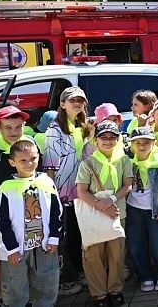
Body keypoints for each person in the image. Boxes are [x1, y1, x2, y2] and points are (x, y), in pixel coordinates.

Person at [0, 139, 62, 307]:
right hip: (17, 248)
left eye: (33, 158)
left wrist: (54, 238)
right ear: (12, 162)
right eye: (22, 160)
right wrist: (11, 248)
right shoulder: (7, 187)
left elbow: (57, 211)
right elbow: (1, 221)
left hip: (44, 245)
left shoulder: (46, 182)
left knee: (46, 283)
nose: (29, 163)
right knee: (16, 287)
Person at [76, 121, 133, 307]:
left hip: (117, 212)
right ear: (96, 140)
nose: (108, 141)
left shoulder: (124, 160)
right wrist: (101, 205)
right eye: (103, 137)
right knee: (93, 257)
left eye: (112, 137)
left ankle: (115, 290)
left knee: (116, 255)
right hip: (93, 216)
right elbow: (82, 191)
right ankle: (99, 294)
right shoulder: (88, 163)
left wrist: (112, 201)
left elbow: (127, 185)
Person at [42, 87, 92, 297]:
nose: (77, 104)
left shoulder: (83, 126)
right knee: (65, 236)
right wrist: (52, 196)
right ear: (62, 104)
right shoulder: (55, 129)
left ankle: (81, 272)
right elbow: (50, 165)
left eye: (81, 100)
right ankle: (64, 278)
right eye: (72, 100)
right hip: (63, 193)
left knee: (78, 235)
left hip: (82, 189)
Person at [126, 127, 158, 292]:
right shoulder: (127, 162)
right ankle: (145, 276)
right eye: (137, 143)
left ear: (153, 143)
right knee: (136, 245)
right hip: (133, 209)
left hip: (154, 210)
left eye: (146, 142)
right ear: (131, 145)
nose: (141, 146)